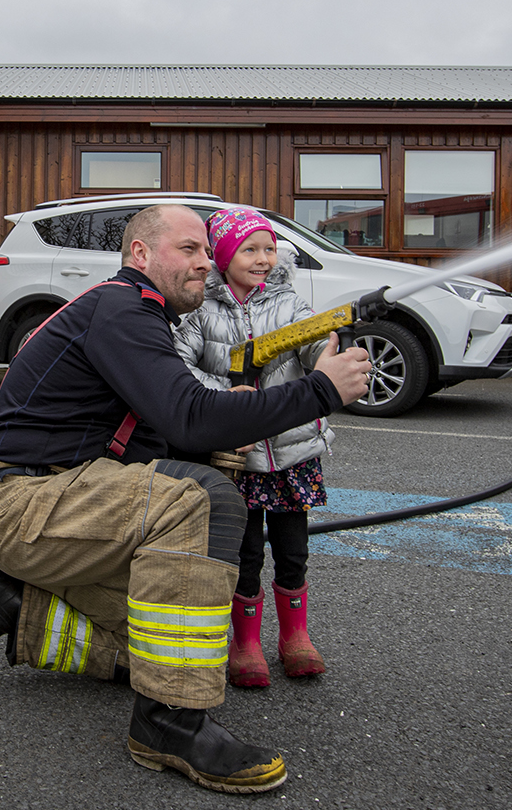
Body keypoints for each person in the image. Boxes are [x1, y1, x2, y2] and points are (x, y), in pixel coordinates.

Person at [0, 205, 370, 794]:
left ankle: (18, 604)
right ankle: (168, 723)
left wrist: (230, 431)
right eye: (189, 250)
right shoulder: (126, 307)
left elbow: (163, 439)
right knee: (207, 502)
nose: (205, 263)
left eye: (205, 251)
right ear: (141, 256)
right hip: (27, 502)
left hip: (50, 495)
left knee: (159, 646)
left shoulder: (133, 316)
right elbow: (189, 418)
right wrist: (320, 390)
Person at [173, 207, 333, 688]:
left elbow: (313, 342)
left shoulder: (289, 303)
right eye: (250, 249)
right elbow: (177, 366)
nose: (263, 259)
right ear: (223, 255)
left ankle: (295, 636)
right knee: (243, 552)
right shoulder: (199, 309)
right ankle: (245, 643)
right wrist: (223, 396)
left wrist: (329, 353)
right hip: (237, 457)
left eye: (269, 249)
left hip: (291, 455)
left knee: (293, 549)